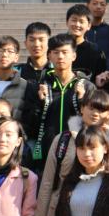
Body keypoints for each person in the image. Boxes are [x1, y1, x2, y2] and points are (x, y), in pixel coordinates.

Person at [25, 34, 94, 177]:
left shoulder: (87, 86)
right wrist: (39, 103)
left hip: (78, 152)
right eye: (56, 52)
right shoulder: (39, 85)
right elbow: (30, 125)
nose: (60, 57)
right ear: (49, 55)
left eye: (65, 52)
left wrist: (82, 100)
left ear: (74, 56)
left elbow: (95, 122)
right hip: (46, 152)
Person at [65, 3, 109, 81]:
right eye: (74, 20)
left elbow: (100, 76)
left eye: (81, 21)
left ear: (89, 26)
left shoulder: (95, 51)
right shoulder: (58, 47)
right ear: (67, 22)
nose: (77, 24)